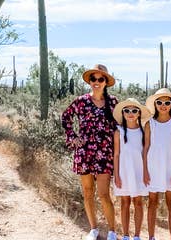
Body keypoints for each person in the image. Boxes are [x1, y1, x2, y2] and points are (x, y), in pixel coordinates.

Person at [61, 64, 118, 240]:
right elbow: (66, 117)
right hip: (84, 153)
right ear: (89, 81)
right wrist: (72, 136)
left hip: (105, 154)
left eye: (101, 79)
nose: (96, 82)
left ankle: (112, 231)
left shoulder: (113, 102)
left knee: (104, 194)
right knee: (87, 192)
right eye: (93, 78)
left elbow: (121, 126)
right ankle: (93, 229)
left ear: (106, 82)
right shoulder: (81, 101)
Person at [143, 88, 171, 240]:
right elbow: (146, 148)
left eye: (167, 102)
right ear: (155, 104)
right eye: (159, 102)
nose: (163, 105)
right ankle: (151, 237)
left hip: (170, 168)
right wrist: (145, 171)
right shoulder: (150, 124)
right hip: (153, 168)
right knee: (152, 202)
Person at [112, 98, 152, 240]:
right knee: (124, 202)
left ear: (139, 114)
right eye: (127, 110)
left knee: (138, 202)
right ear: (122, 113)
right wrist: (116, 175)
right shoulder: (119, 132)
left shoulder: (143, 132)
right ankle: (126, 235)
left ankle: (137, 235)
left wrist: (146, 172)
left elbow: (145, 153)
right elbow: (116, 155)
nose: (130, 113)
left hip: (139, 172)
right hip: (124, 171)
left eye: (134, 110)